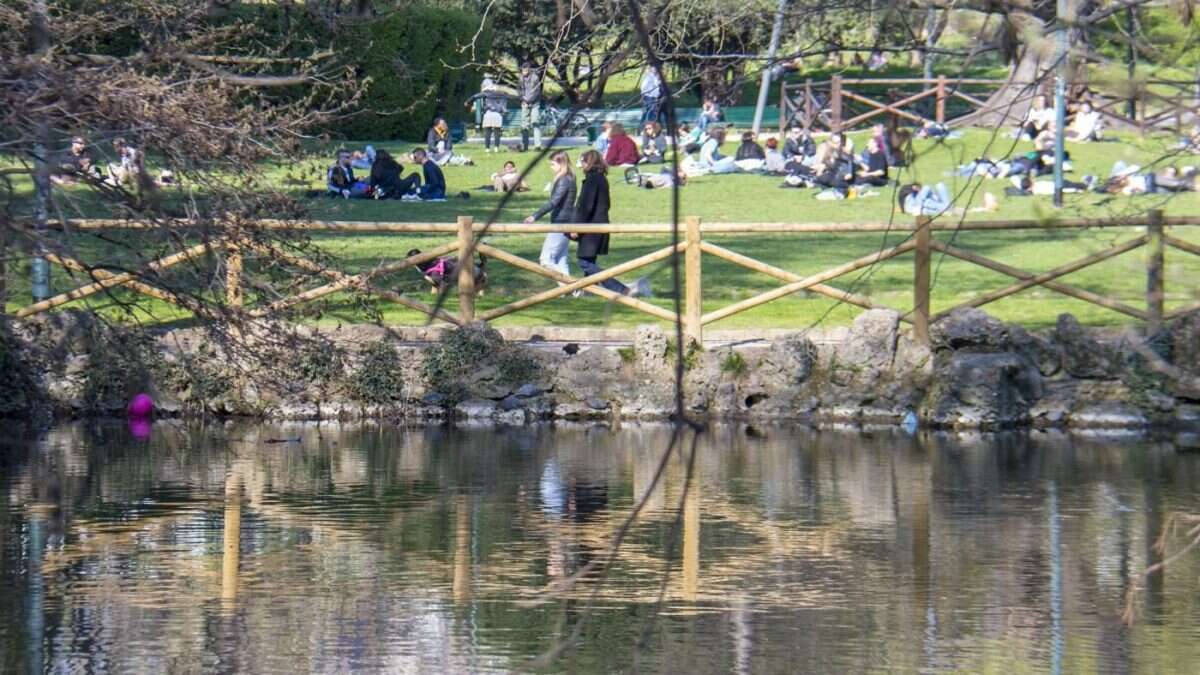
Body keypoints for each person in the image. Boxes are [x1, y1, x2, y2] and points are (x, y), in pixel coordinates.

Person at [572, 150, 650, 297]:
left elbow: (586, 206)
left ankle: (621, 289)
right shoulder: (601, 178)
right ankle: (589, 292)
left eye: (582, 162)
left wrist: (576, 226)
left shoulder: (592, 180)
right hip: (600, 224)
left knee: (585, 262)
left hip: (591, 227)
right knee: (589, 260)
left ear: (588, 163)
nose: (580, 166)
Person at [524, 150, 576, 279]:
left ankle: (573, 288)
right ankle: (570, 291)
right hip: (565, 221)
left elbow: (553, 202)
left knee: (546, 260)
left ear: (561, 163)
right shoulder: (568, 178)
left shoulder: (564, 180)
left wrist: (534, 216)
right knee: (560, 260)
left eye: (552, 164)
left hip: (561, 222)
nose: (551, 167)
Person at [477, 76, 508, 153]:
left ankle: (487, 148)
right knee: (497, 132)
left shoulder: (485, 93)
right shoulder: (499, 92)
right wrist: (502, 110)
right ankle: (496, 148)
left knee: (488, 131)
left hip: (488, 113)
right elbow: (504, 102)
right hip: (498, 114)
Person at [519, 62, 544, 151]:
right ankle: (524, 146)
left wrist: (530, 101)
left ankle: (537, 146)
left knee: (535, 123)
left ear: (529, 69)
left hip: (534, 104)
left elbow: (537, 92)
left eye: (525, 70)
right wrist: (523, 100)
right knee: (524, 125)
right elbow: (519, 91)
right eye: (523, 70)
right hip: (525, 103)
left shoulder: (535, 78)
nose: (524, 71)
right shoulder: (520, 78)